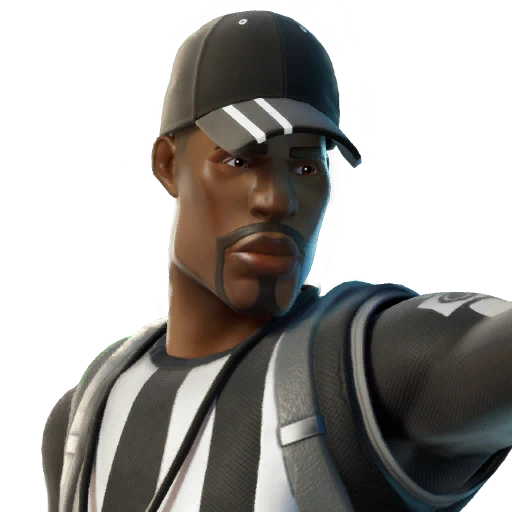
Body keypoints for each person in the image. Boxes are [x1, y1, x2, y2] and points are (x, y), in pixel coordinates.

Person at [42, 10, 512, 512]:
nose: (277, 199)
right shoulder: (86, 412)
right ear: (168, 164)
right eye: (240, 160)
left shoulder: (365, 365)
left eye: (306, 166)